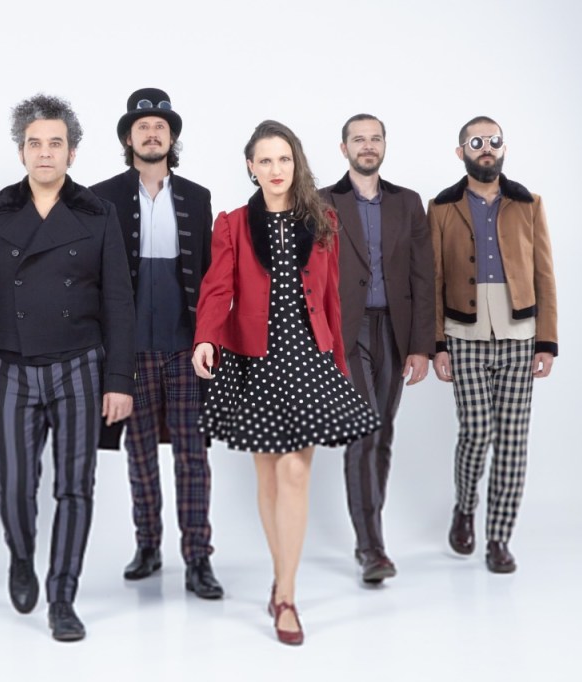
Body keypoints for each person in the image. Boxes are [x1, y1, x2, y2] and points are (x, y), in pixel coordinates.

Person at [0, 94, 135, 641]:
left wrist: (119, 380)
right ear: (21, 152)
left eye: (56, 143)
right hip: (11, 366)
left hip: (80, 366)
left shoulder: (97, 214)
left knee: (75, 487)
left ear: (72, 153)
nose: (45, 152)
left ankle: (62, 596)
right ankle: (21, 556)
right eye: (35, 143)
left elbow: (119, 301)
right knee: (13, 483)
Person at [192, 120, 379, 645]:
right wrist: (206, 338)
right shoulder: (232, 224)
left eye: (284, 159)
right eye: (266, 160)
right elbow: (216, 289)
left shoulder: (322, 220)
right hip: (255, 360)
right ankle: (281, 579)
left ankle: (287, 595)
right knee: (270, 476)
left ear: (296, 163)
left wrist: (338, 362)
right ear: (251, 167)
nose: (276, 169)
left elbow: (333, 297)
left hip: (308, 358)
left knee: (296, 471)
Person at [90, 88, 222, 599]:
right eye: (142, 127)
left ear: (171, 137)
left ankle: (198, 557)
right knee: (139, 453)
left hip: (187, 346)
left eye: (160, 127)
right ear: (129, 138)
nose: (151, 134)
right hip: (129, 350)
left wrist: (209, 339)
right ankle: (148, 546)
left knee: (193, 455)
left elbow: (210, 279)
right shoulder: (100, 197)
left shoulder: (197, 197)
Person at [428, 116, 558, 573]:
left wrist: (547, 340)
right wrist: (436, 344)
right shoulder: (441, 207)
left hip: (520, 336)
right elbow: (434, 279)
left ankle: (499, 537)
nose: (487, 148)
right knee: (477, 431)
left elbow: (544, 274)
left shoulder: (528, 203)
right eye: (477, 142)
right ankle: (465, 506)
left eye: (494, 141)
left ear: (503, 149)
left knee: (513, 441)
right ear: (461, 152)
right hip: (462, 335)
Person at [320, 114, 434, 584]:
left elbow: (424, 276)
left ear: (384, 145)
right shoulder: (323, 202)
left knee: (382, 433)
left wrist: (422, 346)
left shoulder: (407, 203)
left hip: (394, 331)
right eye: (358, 139)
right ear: (343, 148)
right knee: (363, 431)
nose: (367, 146)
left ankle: (369, 535)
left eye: (375, 138)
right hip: (347, 333)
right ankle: (372, 547)